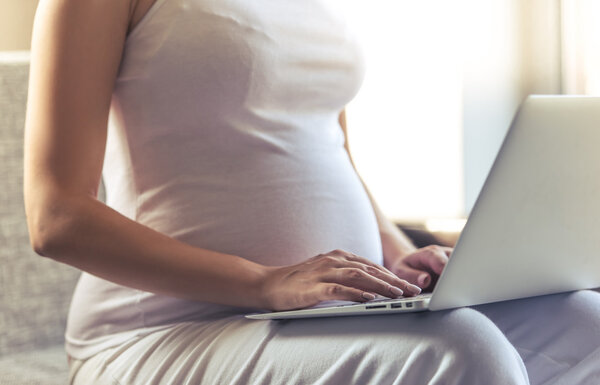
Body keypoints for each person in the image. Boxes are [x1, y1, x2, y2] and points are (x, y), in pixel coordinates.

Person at [23, 0, 600, 384]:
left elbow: (329, 149)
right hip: (162, 328)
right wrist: (265, 280)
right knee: (462, 351)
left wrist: (399, 255)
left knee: (587, 324)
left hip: (324, 314)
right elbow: (56, 217)